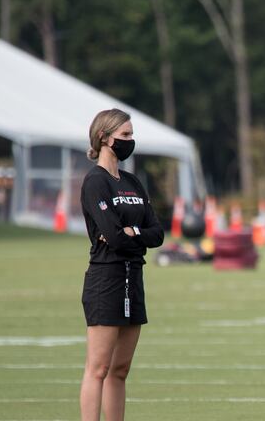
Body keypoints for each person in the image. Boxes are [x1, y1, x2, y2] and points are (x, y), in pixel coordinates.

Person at [79, 108, 164, 421]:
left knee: (120, 369)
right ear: (104, 137)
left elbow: (157, 234)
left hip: (134, 276)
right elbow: (114, 237)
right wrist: (126, 234)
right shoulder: (95, 183)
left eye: (131, 135)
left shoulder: (132, 182)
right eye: (124, 135)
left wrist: (134, 232)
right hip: (106, 279)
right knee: (98, 368)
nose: (130, 141)